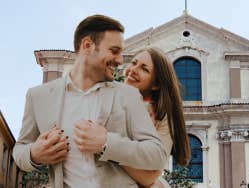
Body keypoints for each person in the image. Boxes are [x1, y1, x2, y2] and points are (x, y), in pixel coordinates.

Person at [12, 15, 168, 188]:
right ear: (87, 46)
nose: (120, 60)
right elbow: (19, 150)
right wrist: (34, 154)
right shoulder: (38, 96)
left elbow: (157, 155)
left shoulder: (129, 95)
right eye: (114, 51)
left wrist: (107, 143)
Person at [122, 48, 191, 187]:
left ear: (156, 84)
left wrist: (107, 150)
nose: (133, 70)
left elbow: (149, 177)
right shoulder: (105, 97)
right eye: (134, 62)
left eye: (144, 69)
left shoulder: (163, 116)